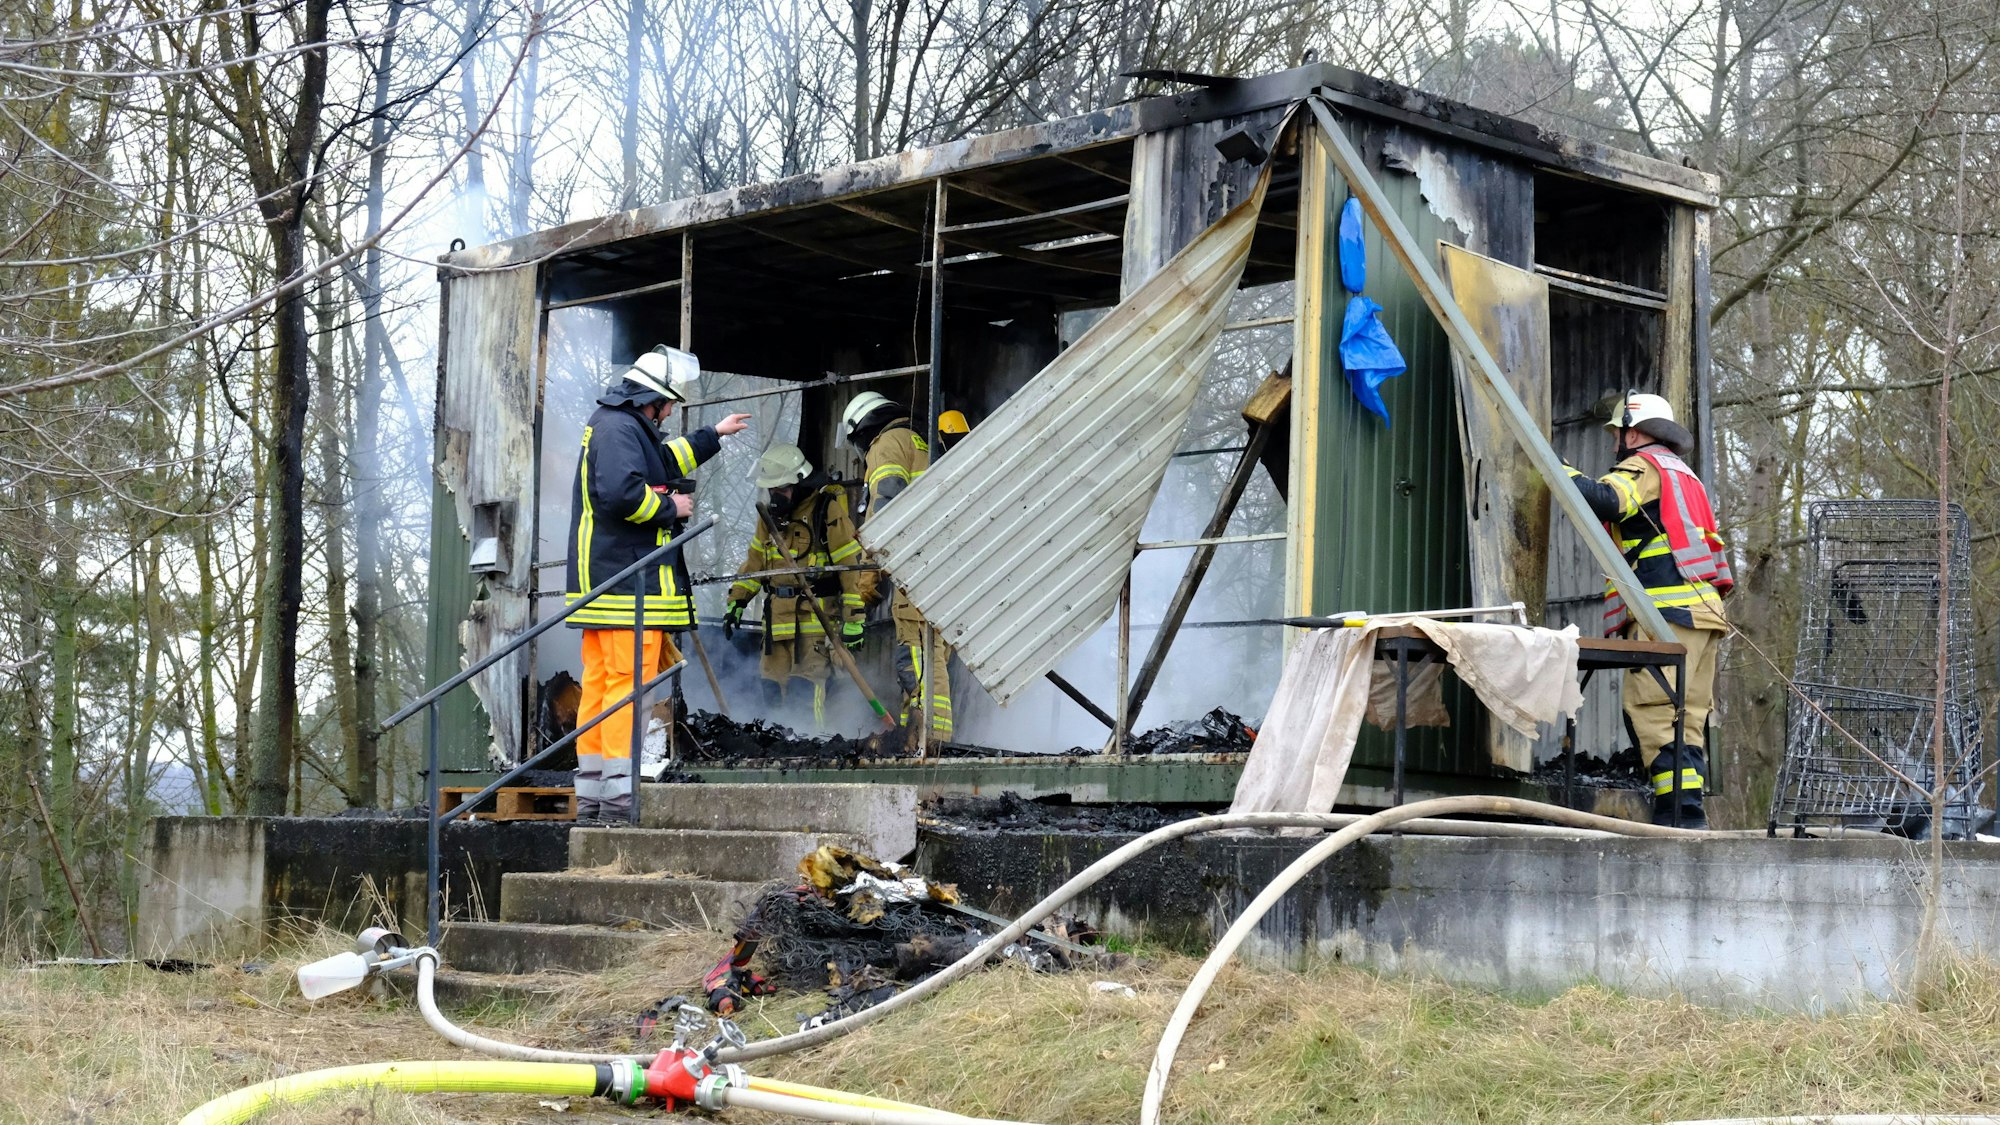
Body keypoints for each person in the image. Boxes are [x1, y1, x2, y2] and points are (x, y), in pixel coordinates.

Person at [564, 345, 750, 820]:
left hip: (605, 587)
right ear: (651, 398)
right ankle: (619, 799)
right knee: (630, 689)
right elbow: (622, 493)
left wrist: (714, 435)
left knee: (604, 688)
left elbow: (661, 461)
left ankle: (595, 797)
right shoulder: (621, 427)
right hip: (628, 588)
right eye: (668, 403)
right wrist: (672, 509)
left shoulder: (617, 425)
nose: (669, 411)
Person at [1565, 392, 1732, 829]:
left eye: (1617, 434)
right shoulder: (1687, 476)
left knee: (1655, 711)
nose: (1613, 445)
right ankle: (1689, 815)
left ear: (1633, 432)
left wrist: (1559, 470)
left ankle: (1672, 816)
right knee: (1688, 719)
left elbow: (1608, 500)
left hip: (1668, 616)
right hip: (1705, 615)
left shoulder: (1645, 465)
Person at [722, 444, 875, 728]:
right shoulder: (768, 518)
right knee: (772, 689)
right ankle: (774, 751)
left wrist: (854, 619)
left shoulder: (825, 510)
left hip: (815, 619)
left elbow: (850, 568)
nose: (775, 496)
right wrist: (737, 601)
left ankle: (810, 749)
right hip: (776, 623)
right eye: (771, 490)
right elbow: (754, 563)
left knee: (806, 692)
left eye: (780, 489)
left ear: (798, 483)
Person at [841, 391, 953, 740]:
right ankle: (913, 739)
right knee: (929, 658)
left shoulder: (887, 444)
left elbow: (883, 516)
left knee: (916, 660)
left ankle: (932, 744)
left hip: (917, 569)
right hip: (945, 566)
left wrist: (866, 585)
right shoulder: (922, 441)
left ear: (863, 429)